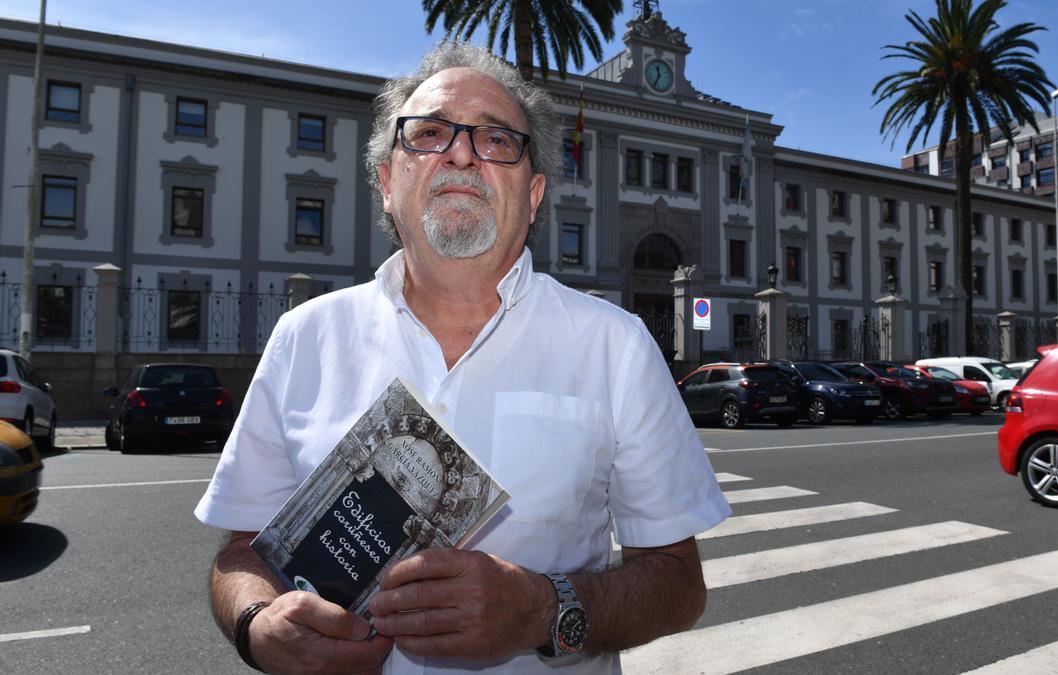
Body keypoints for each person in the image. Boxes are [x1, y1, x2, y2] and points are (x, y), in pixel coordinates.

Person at [194, 42, 730, 674]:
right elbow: (241, 552)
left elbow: (677, 583)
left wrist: (542, 609)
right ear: (388, 184)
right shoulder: (303, 337)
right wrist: (257, 625)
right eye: (429, 134)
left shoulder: (616, 346)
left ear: (532, 198)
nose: (461, 152)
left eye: (497, 140)